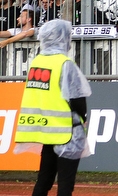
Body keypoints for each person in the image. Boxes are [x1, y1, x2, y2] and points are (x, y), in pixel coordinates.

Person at [15, 18, 92, 196]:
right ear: (62, 38)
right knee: (65, 184)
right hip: (67, 131)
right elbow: (77, 97)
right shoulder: (65, 64)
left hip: (48, 130)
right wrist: (84, 118)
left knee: (44, 180)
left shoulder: (37, 62)